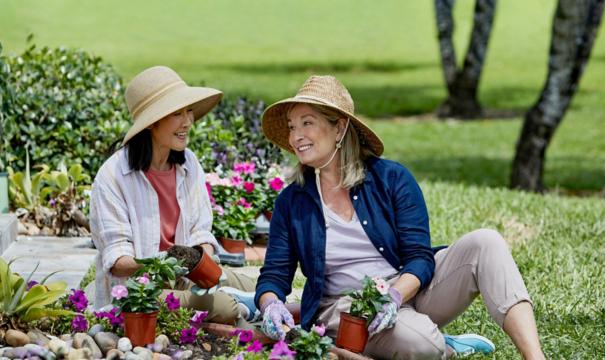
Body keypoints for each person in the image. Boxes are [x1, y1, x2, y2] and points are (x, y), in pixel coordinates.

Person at [255, 75, 545, 359]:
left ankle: (535, 357)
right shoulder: (291, 201)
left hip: (408, 288)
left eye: (307, 123)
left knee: (487, 242)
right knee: (422, 345)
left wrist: (394, 296)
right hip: (348, 307)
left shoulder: (392, 178)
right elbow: (274, 275)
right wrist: (270, 305)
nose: (296, 136)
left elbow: (419, 256)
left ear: (340, 129)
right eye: (293, 127)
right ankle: (442, 344)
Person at [90, 66, 258, 324]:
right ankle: (240, 306)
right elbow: (117, 262)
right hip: (140, 292)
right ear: (152, 123)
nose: (188, 121)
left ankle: (253, 302)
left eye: (188, 111)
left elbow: (201, 231)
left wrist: (200, 259)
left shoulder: (188, 164)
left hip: (186, 279)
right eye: (177, 113)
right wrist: (166, 261)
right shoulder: (112, 177)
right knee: (225, 307)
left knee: (260, 287)